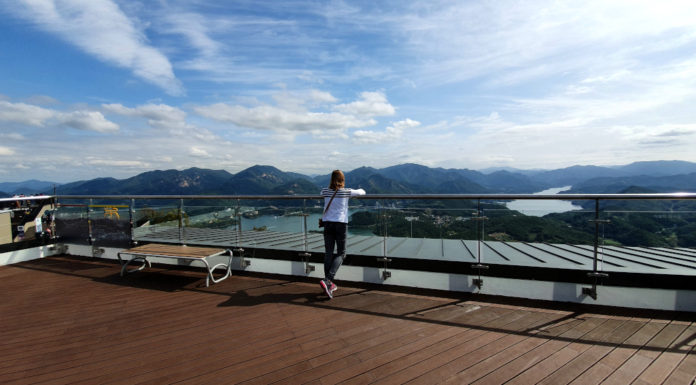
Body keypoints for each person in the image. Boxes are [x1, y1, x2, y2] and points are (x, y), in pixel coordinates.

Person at [319, 170, 365, 299]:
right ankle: (328, 280)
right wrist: (358, 188)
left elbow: (322, 193)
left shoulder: (325, 191)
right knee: (341, 253)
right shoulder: (346, 192)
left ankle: (328, 284)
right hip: (340, 224)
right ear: (342, 180)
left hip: (327, 223)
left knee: (328, 252)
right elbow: (362, 192)